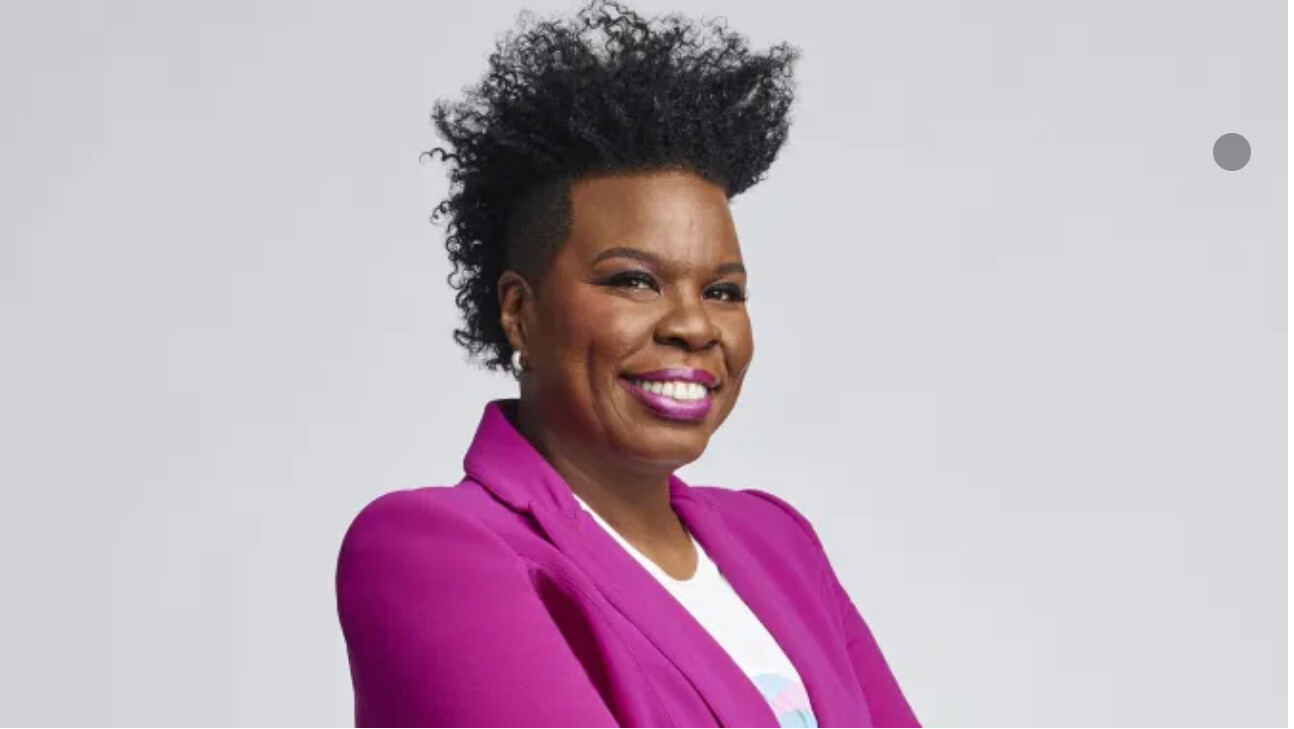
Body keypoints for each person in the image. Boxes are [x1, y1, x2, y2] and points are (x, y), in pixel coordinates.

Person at [335, 1, 920, 726]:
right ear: (520, 311)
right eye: (635, 281)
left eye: (723, 291)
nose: (693, 325)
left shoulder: (778, 543)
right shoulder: (435, 550)